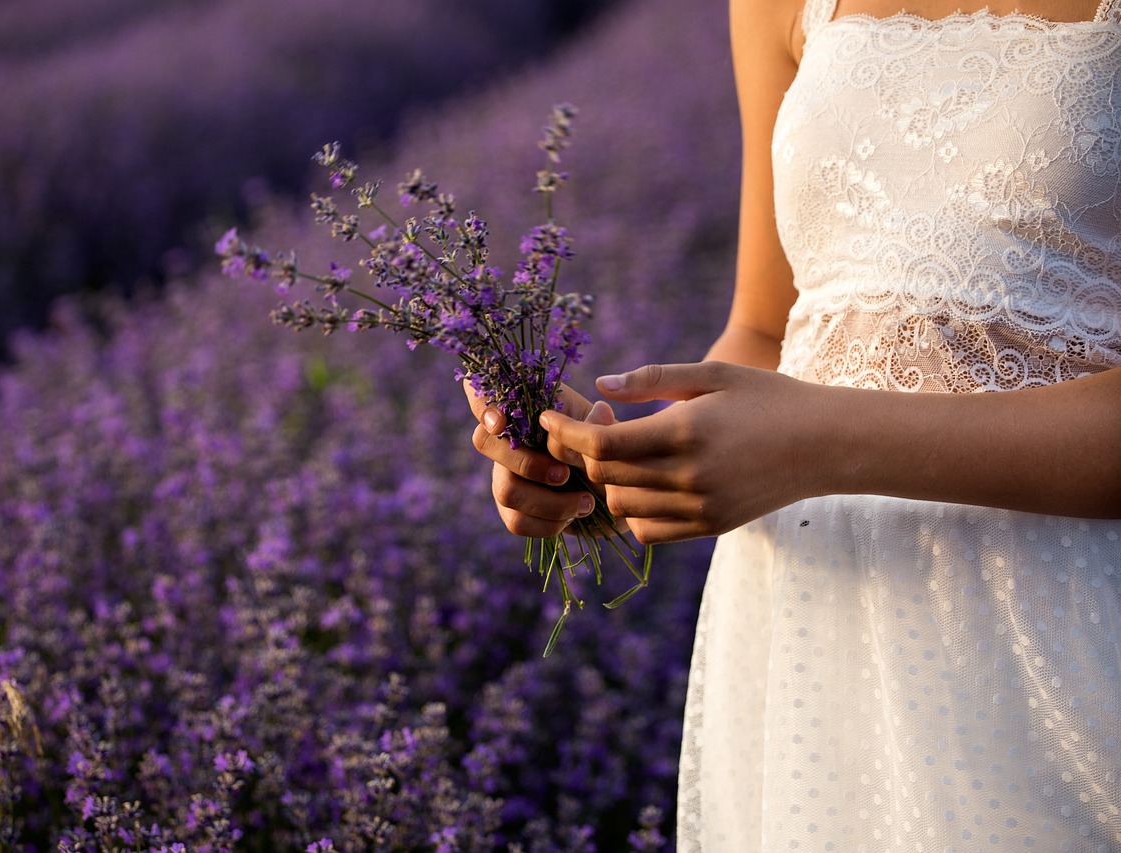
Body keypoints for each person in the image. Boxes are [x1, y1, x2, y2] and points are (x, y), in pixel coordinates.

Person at [467, 0, 1121, 848]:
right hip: (814, 627)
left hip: (1059, 627)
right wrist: (622, 459)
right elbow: (769, 328)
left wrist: (813, 443)